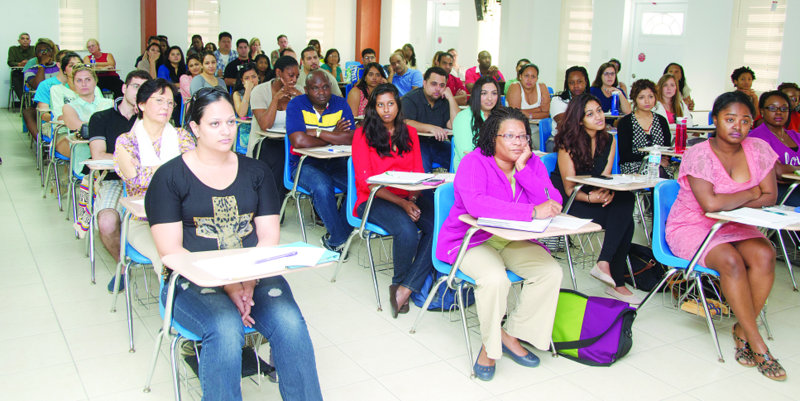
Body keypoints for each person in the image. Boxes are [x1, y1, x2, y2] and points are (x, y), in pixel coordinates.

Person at [146, 87, 323, 400]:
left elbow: (268, 236)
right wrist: (230, 285)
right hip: (191, 278)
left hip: (254, 272)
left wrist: (248, 281)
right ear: (195, 128)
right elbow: (171, 251)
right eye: (214, 124)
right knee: (225, 328)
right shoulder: (169, 177)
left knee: (289, 323)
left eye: (230, 122)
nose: (226, 130)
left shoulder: (256, 171)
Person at [438, 107, 563, 381]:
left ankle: (511, 334)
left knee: (550, 272)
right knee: (495, 279)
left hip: (512, 239)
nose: (519, 142)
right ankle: (489, 349)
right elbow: (477, 205)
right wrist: (531, 211)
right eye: (510, 136)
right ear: (492, 137)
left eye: (523, 136)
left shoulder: (532, 163)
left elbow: (554, 201)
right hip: (471, 239)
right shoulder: (474, 162)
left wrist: (524, 171)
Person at [666, 91, 784, 381]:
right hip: (692, 226)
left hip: (735, 223)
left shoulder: (758, 149)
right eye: (730, 119)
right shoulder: (699, 154)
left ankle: (742, 329)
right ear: (715, 119)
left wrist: (733, 200)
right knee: (731, 261)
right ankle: (757, 343)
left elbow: (770, 196)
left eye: (745, 120)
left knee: (765, 254)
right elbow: (710, 204)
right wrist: (751, 192)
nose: (737, 126)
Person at [352, 83, 433, 318]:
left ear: (398, 105)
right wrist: (404, 204)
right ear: (373, 108)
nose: (386, 110)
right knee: (406, 230)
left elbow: (418, 173)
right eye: (380, 105)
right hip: (373, 198)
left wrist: (413, 197)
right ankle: (398, 282)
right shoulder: (362, 134)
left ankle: (406, 287)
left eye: (390, 104)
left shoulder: (410, 133)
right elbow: (367, 182)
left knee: (440, 226)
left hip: (408, 194)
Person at [551, 93, 639, 304]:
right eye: (590, 114)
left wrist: (605, 194)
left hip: (593, 194)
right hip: (570, 200)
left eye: (599, 111)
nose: (598, 116)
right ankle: (615, 281)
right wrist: (592, 198)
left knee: (626, 201)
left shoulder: (609, 140)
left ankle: (604, 264)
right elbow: (569, 189)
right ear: (580, 120)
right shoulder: (567, 143)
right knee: (625, 221)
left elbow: (604, 179)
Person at [113, 78, 196, 282]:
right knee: (167, 257)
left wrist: (149, 170)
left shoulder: (181, 136)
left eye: (170, 103)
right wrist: (173, 168)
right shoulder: (126, 141)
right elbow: (135, 179)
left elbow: (193, 174)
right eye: (159, 100)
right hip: (143, 221)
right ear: (141, 104)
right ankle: (172, 300)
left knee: (204, 250)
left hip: (184, 215)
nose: (166, 107)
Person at [87, 70, 149, 291]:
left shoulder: (152, 120)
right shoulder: (101, 118)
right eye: (135, 86)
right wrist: (133, 160)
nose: (139, 92)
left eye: (145, 89)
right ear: (124, 88)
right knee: (107, 221)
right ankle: (122, 267)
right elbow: (98, 155)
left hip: (146, 182)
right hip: (113, 179)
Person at [286, 70, 354, 251]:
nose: (321, 92)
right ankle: (339, 239)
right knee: (322, 186)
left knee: (358, 185)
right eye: (315, 88)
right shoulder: (296, 105)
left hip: (336, 162)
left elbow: (352, 138)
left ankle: (336, 236)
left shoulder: (340, 104)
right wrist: (334, 136)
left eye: (325, 87)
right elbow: (298, 141)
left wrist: (318, 133)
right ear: (306, 90)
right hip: (304, 163)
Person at [250, 56, 302, 196]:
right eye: (291, 75)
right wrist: (275, 99)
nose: (294, 80)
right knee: (280, 157)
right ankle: (274, 201)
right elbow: (265, 125)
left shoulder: (298, 91)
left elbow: (310, 121)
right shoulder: (260, 91)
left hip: (291, 142)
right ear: (278, 73)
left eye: (297, 76)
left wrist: (301, 99)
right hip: (264, 142)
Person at [402, 67, 459, 172]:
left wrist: (451, 98)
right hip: (415, 144)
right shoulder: (410, 99)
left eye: (442, 85)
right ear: (424, 83)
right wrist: (430, 128)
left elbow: (455, 125)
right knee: (423, 168)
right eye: (434, 84)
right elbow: (405, 122)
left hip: (437, 143)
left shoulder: (444, 101)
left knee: (459, 159)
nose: (438, 88)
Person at [749, 90, 800, 206]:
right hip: (778, 190)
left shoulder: (796, 136)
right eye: (772, 108)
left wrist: (790, 168)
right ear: (762, 111)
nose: (779, 112)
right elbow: (778, 171)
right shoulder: (757, 137)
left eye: (784, 109)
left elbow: (782, 169)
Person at [617, 79, 671, 175]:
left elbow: (667, 149)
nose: (647, 101)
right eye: (641, 97)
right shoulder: (625, 122)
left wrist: (659, 161)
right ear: (635, 99)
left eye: (651, 97)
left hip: (660, 165)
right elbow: (625, 154)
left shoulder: (661, 121)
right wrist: (651, 159)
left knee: (662, 172)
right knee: (658, 173)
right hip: (633, 166)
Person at [59, 66, 114, 154]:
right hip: (84, 151)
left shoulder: (110, 103)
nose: (83, 84)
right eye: (79, 80)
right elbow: (84, 130)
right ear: (73, 84)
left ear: (95, 82)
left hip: (112, 148)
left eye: (88, 80)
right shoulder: (69, 107)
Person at [451, 76, 501, 170]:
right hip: (471, 171)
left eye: (494, 93)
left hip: (498, 170)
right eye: (484, 93)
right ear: (476, 95)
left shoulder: (501, 117)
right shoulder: (464, 117)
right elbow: (467, 155)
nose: (490, 98)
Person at [22, 50, 72, 138]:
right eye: (69, 64)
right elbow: (44, 115)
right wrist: (61, 119)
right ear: (59, 64)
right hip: (56, 124)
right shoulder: (47, 85)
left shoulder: (82, 85)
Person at [550, 66, 590, 146]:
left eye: (579, 82)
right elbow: (566, 124)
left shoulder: (590, 101)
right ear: (567, 84)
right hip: (560, 140)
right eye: (571, 83)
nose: (576, 86)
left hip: (584, 140)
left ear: (585, 82)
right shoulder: (557, 100)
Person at [232, 63, 258, 154]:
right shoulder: (237, 94)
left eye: (254, 77)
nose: (251, 80)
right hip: (245, 135)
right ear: (242, 81)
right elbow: (242, 114)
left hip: (260, 132)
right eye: (247, 78)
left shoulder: (263, 92)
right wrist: (248, 91)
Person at [157, 45, 187, 123]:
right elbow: (163, 83)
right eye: (173, 54)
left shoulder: (185, 67)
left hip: (184, 96)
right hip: (170, 95)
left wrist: (176, 84)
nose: (176, 56)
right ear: (168, 57)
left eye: (178, 54)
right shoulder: (163, 68)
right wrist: (180, 85)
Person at [8, 32, 34, 101]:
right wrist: (19, 64)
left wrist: (28, 63)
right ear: (19, 41)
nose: (25, 40)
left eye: (27, 39)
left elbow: (38, 61)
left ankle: (33, 101)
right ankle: (23, 101)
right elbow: (10, 62)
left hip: (32, 72)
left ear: (30, 41)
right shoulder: (13, 49)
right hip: (19, 72)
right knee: (16, 76)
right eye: (23, 39)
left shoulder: (34, 49)